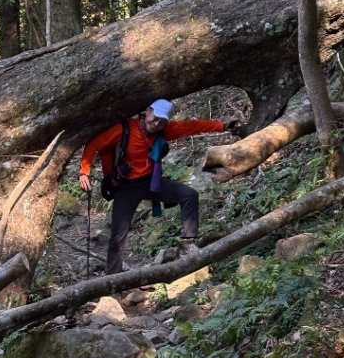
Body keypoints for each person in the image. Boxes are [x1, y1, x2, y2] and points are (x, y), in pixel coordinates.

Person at [78, 98, 232, 275]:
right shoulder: (125, 129)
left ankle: (188, 243)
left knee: (189, 195)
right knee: (118, 235)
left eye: (162, 121)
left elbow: (193, 126)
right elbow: (95, 144)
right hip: (126, 187)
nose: (157, 123)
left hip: (151, 182)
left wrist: (223, 126)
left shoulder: (164, 130)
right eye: (155, 117)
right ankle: (112, 279)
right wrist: (84, 171)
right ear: (148, 111)